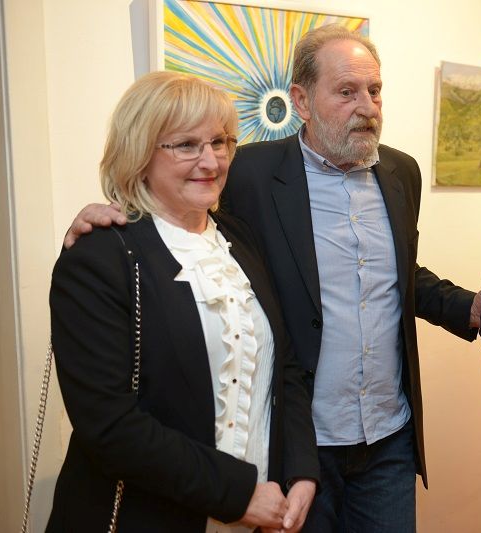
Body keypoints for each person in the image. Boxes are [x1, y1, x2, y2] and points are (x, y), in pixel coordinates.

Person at [64, 25, 481, 532]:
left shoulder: (401, 173)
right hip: (298, 437)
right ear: (301, 101)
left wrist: (468, 307)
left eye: (375, 90)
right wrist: (110, 216)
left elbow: (397, 274)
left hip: (386, 433)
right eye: (347, 91)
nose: (368, 107)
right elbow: (170, 216)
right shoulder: (248, 174)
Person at [49, 71, 318, 532]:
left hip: (259, 519)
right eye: (187, 145)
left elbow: (285, 368)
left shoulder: (240, 239)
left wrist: (301, 471)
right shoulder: (98, 257)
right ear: (140, 153)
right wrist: (238, 495)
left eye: (220, 142)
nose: (210, 161)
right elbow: (109, 426)